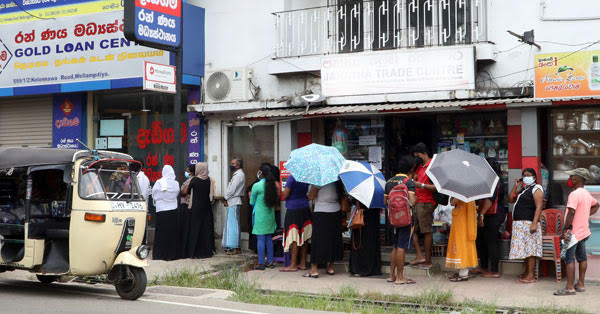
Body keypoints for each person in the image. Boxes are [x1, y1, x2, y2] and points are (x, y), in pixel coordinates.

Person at [554, 168, 599, 296]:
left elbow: (571, 212)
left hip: (573, 232)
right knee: (582, 258)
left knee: (569, 258)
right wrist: (585, 216)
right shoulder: (586, 193)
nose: (570, 179)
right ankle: (581, 284)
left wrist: (566, 229)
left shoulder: (574, 194)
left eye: (572, 176)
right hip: (583, 231)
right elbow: (596, 205)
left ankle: (569, 288)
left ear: (578, 178)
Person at [384, 156, 418, 285]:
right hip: (406, 219)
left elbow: (385, 202)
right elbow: (413, 202)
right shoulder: (408, 182)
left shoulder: (389, 182)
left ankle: (391, 276)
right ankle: (400, 277)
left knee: (395, 246)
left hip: (392, 219)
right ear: (410, 169)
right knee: (402, 246)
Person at [508, 168, 543, 283]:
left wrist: (534, 223)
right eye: (524, 175)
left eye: (528, 175)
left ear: (534, 177)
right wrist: (516, 185)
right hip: (520, 224)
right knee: (524, 249)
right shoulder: (524, 189)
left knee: (530, 249)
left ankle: (531, 275)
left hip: (529, 223)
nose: (526, 177)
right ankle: (526, 272)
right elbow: (510, 199)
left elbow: (539, 207)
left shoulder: (537, 188)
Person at [304, 181, 346, 278]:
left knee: (317, 240)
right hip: (335, 212)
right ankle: (331, 268)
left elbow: (311, 196)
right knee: (332, 239)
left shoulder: (319, 180)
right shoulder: (337, 181)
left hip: (321, 212)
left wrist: (307, 195)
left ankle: (314, 269)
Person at [474, 157, 506, 278]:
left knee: (492, 241)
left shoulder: (494, 181)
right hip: (488, 213)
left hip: (493, 214)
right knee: (481, 240)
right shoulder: (490, 179)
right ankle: (483, 267)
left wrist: (481, 214)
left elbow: (490, 200)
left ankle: (494, 271)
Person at [409, 143, 437, 269]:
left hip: (426, 202)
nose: (416, 157)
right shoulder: (420, 167)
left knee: (426, 231)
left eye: (417, 155)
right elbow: (412, 180)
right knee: (412, 229)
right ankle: (420, 255)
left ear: (424, 153)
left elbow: (437, 187)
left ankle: (428, 260)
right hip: (417, 201)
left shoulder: (433, 165)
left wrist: (421, 185)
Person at [183, 162, 215, 259]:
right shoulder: (209, 180)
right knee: (206, 230)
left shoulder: (194, 180)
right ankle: (207, 252)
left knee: (195, 230)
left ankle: (194, 252)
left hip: (196, 207)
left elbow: (185, 192)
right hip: (207, 208)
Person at [280, 175, 312, 272]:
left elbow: (285, 194)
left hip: (293, 209)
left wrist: (282, 192)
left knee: (294, 236)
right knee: (304, 236)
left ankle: (293, 264)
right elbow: (308, 194)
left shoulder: (292, 177)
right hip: (305, 207)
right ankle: (302, 263)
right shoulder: (306, 177)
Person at [250, 163, 279, 270]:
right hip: (270, 217)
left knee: (260, 239)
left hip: (260, 217)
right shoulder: (273, 185)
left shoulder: (257, 186)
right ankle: (270, 261)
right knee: (268, 239)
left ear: (261, 173)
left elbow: (251, 202)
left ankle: (261, 263)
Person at [151, 165, 180, 261]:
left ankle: (160, 255)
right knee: (172, 233)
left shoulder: (159, 183)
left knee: (161, 233)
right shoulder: (176, 184)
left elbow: (154, 194)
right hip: (173, 210)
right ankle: (172, 255)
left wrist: (162, 198)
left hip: (162, 210)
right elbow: (176, 194)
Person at [446, 197, 478, 281]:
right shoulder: (460, 194)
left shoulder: (468, 197)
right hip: (459, 222)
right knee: (458, 244)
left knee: (462, 245)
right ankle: (461, 270)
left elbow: (452, 203)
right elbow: (451, 202)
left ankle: (463, 274)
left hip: (463, 224)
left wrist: (457, 197)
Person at [223, 157, 246, 255]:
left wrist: (225, 198)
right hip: (233, 201)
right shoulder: (237, 174)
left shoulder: (239, 175)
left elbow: (232, 189)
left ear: (238, 165)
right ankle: (232, 246)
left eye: (233, 164)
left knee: (233, 225)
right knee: (232, 224)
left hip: (234, 201)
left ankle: (234, 247)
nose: (231, 165)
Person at [178, 164, 196, 259]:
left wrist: (180, 192)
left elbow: (184, 192)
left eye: (187, 170)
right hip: (187, 205)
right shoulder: (191, 180)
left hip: (186, 205)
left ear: (191, 172)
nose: (186, 172)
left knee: (185, 228)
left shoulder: (191, 180)